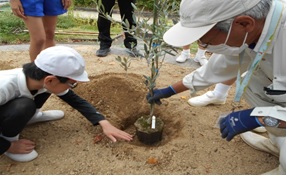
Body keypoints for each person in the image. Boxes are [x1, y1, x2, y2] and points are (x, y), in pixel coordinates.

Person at [147, 0, 286, 174]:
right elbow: (217, 68)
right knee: (255, 83)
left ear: (244, 23)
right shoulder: (253, 32)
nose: (202, 46)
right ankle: (278, 142)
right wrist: (170, 90)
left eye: (204, 40)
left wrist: (261, 118)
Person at [0, 46, 133, 162]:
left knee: (42, 93)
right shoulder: (4, 87)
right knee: (23, 106)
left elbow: (75, 100)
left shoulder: (40, 80)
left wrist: (103, 122)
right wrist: (9, 146)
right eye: (72, 84)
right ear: (50, 80)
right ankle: (9, 138)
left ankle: (31, 116)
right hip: (8, 117)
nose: (71, 87)